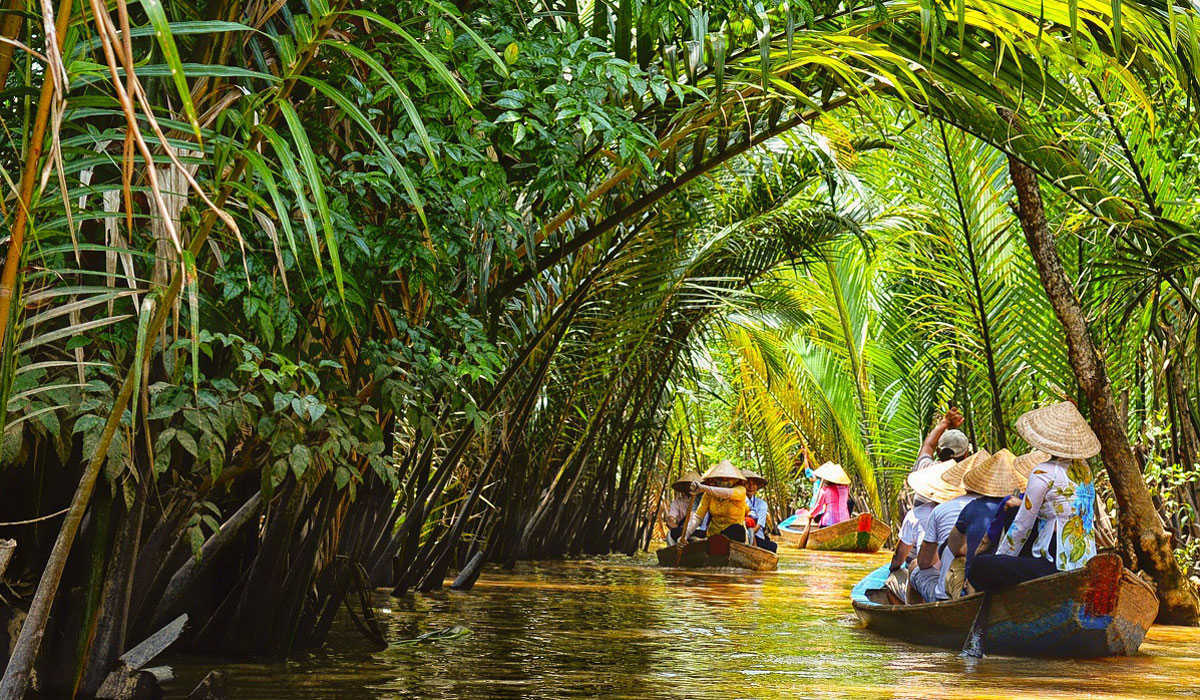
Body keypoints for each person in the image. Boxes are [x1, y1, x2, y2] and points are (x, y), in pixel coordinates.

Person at [969, 402, 1100, 592]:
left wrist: (1001, 559)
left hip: (1056, 564)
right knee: (1014, 511)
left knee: (979, 566)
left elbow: (1022, 525)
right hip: (1085, 560)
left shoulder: (1043, 472)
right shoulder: (1085, 471)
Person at [908, 449, 990, 603]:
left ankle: (910, 616)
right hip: (986, 590)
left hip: (947, 595)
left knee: (915, 569)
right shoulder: (1004, 507)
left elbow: (924, 562)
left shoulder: (941, 510)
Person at [943, 449, 1022, 598]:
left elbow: (953, 547)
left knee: (956, 567)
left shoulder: (973, 507)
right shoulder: (1024, 506)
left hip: (980, 582)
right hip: (1013, 579)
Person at [885, 459, 963, 602]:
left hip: (942, 588)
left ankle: (910, 611)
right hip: (964, 583)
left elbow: (902, 557)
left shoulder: (920, 513)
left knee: (909, 569)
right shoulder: (971, 507)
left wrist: (892, 570)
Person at [682, 460, 750, 543]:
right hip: (713, 534)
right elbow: (698, 517)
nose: (724, 481)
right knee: (677, 532)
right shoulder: (709, 494)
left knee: (737, 529)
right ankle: (709, 541)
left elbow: (726, 493)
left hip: (734, 535)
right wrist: (685, 535)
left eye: (728, 478)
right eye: (720, 478)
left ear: (735, 480)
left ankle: (710, 541)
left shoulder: (741, 490)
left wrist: (703, 488)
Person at [914, 407, 971, 473]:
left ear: (938, 451)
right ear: (966, 454)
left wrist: (945, 422)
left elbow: (928, 445)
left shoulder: (924, 469)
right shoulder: (972, 480)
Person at [742, 469, 777, 552]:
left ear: (757, 487)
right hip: (741, 533)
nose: (751, 487)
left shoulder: (762, 504)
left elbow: (759, 525)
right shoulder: (738, 501)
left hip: (756, 536)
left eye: (753, 484)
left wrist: (749, 534)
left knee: (773, 546)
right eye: (748, 483)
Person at [810, 462, 852, 527]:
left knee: (821, 521)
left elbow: (819, 507)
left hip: (829, 522)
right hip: (845, 521)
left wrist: (811, 515)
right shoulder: (846, 489)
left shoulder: (825, 490)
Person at [664, 470, 701, 544]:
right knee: (670, 534)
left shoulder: (704, 500)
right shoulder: (677, 503)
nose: (691, 487)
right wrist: (675, 526)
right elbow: (671, 519)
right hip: (682, 531)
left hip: (699, 531)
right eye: (689, 485)